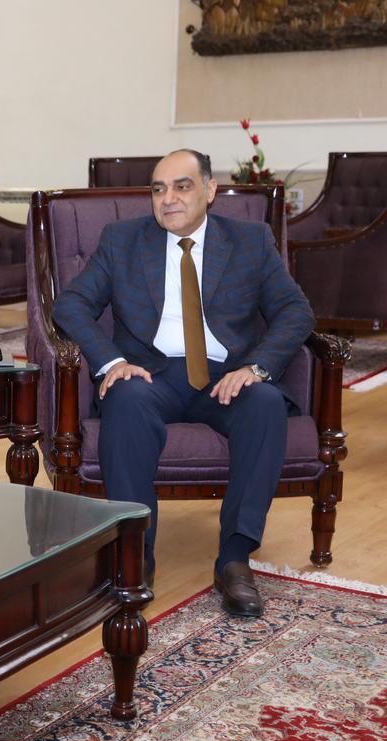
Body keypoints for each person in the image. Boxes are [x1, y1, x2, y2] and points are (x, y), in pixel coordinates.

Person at [52, 149, 314, 617]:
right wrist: (112, 361)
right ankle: (135, 557)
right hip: (150, 374)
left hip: (226, 375)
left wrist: (256, 368)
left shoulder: (250, 241)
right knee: (125, 399)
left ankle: (235, 558)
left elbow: (295, 310)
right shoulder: (122, 240)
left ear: (210, 191)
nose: (168, 198)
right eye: (159, 189)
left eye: (182, 186)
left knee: (265, 404)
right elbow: (70, 305)